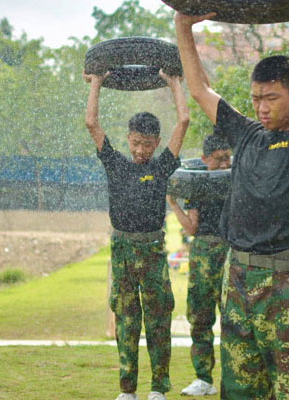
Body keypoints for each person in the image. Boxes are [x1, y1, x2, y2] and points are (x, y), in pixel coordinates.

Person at [174, 0, 289, 396]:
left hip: (287, 278)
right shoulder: (245, 134)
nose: (261, 107)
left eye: (271, 97)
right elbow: (200, 90)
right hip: (238, 275)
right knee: (240, 388)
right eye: (256, 97)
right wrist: (183, 28)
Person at [84, 69, 189, 400]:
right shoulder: (116, 164)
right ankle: (127, 390)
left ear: (156, 143)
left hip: (152, 251)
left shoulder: (161, 166)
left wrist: (174, 83)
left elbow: (183, 121)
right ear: (128, 138)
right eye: (135, 142)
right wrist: (97, 82)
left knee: (158, 320)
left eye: (146, 144)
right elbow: (91, 124)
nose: (140, 149)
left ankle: (158, 388)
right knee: (126, 321)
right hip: (122, 250)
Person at [166, 133, 231, 396]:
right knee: (200, 317)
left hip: (232, 252)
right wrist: (173, 204)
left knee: (234, 319)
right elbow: (192, 227)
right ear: (205, 159)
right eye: (219, 159)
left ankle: (235, 378)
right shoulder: (197, 184)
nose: (225, 164)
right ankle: (203, 378)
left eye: (228, 157)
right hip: (203, 253)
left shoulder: (236, 182)